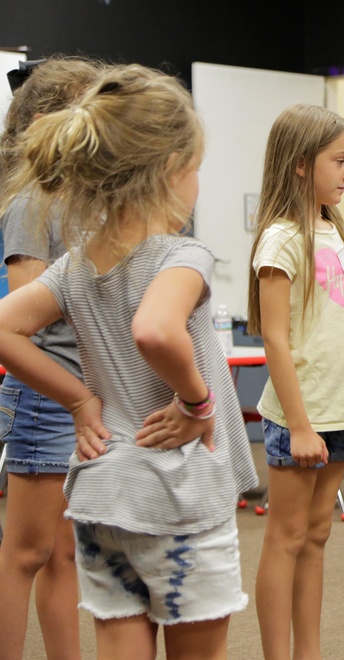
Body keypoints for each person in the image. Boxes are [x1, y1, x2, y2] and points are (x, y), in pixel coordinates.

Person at [0, 64, 257, 658]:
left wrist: (79, 399)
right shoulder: (183, 255)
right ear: (171, 171)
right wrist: (197, 402)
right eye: (196, 169)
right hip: (179, 494)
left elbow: (5, 326)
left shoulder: (75, 265)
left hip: (103, 494)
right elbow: (155, 330)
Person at [247, 103, 344, 660]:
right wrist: (300, 427)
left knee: (318, 536)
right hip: (300, 417)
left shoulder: (333, 231)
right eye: (340, 160)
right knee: (286, 538)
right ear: (302, 164)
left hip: (340, 410)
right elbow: (275, 340)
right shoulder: (281, 239)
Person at [0, 56, 101, 660]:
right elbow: (27, 318)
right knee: (25, 554)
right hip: (46, 397)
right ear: (46, 122)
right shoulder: (32, 204)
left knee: (67, 553)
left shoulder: (89, 203)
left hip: (84, 395)